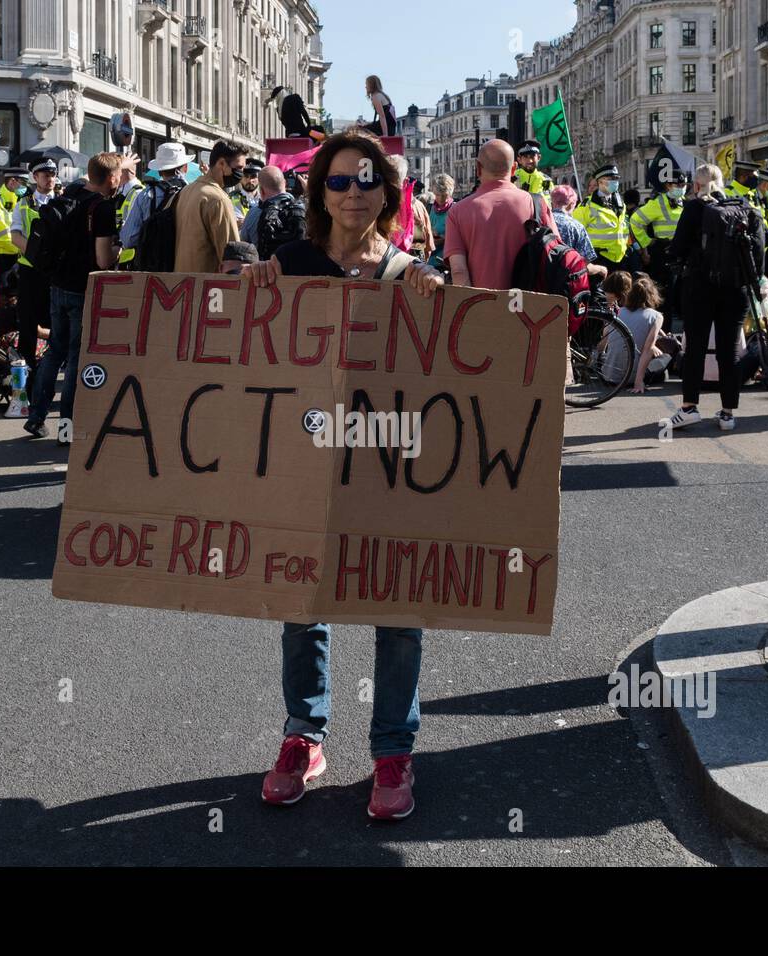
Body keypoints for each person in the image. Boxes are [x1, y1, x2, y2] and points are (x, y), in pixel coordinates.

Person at [240, 129, 443, 821]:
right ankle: (305, 735)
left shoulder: (414, 272)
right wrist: (246, 294)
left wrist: (436, 294)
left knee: (399, 610)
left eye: (367, 180)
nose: (353, 192)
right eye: (338, 180)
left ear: (387, 193)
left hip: (390, 467)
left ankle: (393, 749)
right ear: (317, 191)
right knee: (302, 605)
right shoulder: (288, 263)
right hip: (305, 463)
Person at [24, 152, 121, 443]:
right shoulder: (103, 208)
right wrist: (120, 249)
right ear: (112, 178)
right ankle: (66, 429)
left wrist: (118, 167)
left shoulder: (72, 192)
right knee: (76, 359)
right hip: (83, 289)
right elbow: (103, 260)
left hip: (57, 284)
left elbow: (91, 176)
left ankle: (36, 417)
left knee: (54, 351)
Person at [665, 163, 766, 432]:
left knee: (695, 347)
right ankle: (727, 413)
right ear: (722, 182)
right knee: (729, 351)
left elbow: (677, 247)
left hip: (699, 286)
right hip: (736, 289)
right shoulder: (746, 207)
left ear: (697, 186)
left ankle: (689, 407)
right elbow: (761, 248)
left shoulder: (695, 208)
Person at [445, 139, 560, 290]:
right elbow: (556, 251)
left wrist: (472, 309)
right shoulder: (536, 204)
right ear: (514, 169)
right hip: (528, 306)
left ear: (478, 168)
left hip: (481, 305)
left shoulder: (457, 211)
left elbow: (459, 271)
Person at [10, 158, 60, 368]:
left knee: (56, 320)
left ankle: (55, 363)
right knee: (28, 323)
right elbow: (15, 235)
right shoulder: (23, 203)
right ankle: (27, 367)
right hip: (31, 271)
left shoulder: (62, 201)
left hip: (56, 271)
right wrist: (36, 256)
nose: (50, 178)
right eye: (45, 174)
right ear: (35, 177)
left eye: (52, 174)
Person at [174, 140, 247, 273]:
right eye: (239, 168)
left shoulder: (187, 190)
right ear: (221, 163)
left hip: (181, 282)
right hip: (208, 286)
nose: (241, 173)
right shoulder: (218, 199)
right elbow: (232, 256)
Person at [120, 142, 191, 262]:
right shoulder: (192, 193)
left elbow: (128, 239)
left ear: (159, 171)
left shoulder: (146, 195)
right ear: (185, 168)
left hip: (154, 265)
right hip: (185, 263)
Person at [602, 273, 672, 393]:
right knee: (667, 357)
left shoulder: (618, 312)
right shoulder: (656, 316)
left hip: (609, 376)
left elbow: (605, 336)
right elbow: (647, 350)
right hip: (629, 377)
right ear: (652, 296)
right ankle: (642, 378)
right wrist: (638, 382)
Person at [630, 170, 688, 315]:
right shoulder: (658, 203)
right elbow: (635, 221)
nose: (682, 187)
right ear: (668, 186)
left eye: (684, 184)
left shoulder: (684, 203)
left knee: (680, 294)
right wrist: (647, 242)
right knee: (663, 296)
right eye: (678, 184)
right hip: (663, 253)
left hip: (681, 252)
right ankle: (662, 329)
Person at [573, 164, 629, 274]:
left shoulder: (620, 203)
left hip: (619, 257)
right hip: (598, 258)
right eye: (610, 179)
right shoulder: (588, 205)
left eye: (616, 179)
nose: (615, 182)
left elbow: (623, 226)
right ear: (600, 182)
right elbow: (577, 231)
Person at [245, 165, 306, 260]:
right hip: (299, 272)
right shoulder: (304, 209)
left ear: (261, 190)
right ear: (285, 183)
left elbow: (244, 246)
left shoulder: (253, 214)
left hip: (265, 272)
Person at [548, 185, 608, 283]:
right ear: (571, 204)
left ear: (552, 203)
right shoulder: (576, 227)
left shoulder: (542, 221)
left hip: (541, 282)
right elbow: (585, 266)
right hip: (566, 284)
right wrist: (601, 269)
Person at [110, 155, 145, 269]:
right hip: (119, 257)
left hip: (132, 260)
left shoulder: (140, 192)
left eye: (118, 169)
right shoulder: (120, 192)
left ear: (128, 170)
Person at [427, 173, 455, 269]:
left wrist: (444, 239)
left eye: (444, 195)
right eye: (438, 195)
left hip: (447, 263)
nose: (441, 199)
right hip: (430, 262)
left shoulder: (456, 209)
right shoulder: (430, 208)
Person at [229, 158, 263, 224]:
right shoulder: (231, 198)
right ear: (240, 178)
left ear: (259, 178)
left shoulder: (266, 198)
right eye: (246, 176)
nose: (250, 180)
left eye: (253, 176)